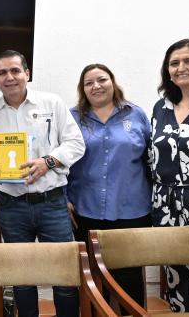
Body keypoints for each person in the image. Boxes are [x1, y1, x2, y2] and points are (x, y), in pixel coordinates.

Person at [0, 50, 85, 317]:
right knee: (21, 277)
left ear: (27, 73)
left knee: (64, 275)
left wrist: (47, 161)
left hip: (52, 202)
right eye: (2, 73)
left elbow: (75, 143)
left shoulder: (52, 103)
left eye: (15, 71)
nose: (9, 77)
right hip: (11, 205)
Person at [66, 63, 152, 306]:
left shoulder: (136, 115)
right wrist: (63, 198)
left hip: (132, 209)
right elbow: (60, 160)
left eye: (102, 80)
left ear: (113, 82)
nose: (96, 86)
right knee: (93, 280)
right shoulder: (72, 118)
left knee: (130, 278)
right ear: (82, 89)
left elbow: (151, 159)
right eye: (88, 83)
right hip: (86, 209)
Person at [151, 38, 189, 312]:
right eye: (174, 63)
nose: (181, 67)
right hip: (166, 209)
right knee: (177, 280)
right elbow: (151, 158)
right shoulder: (161, 108)